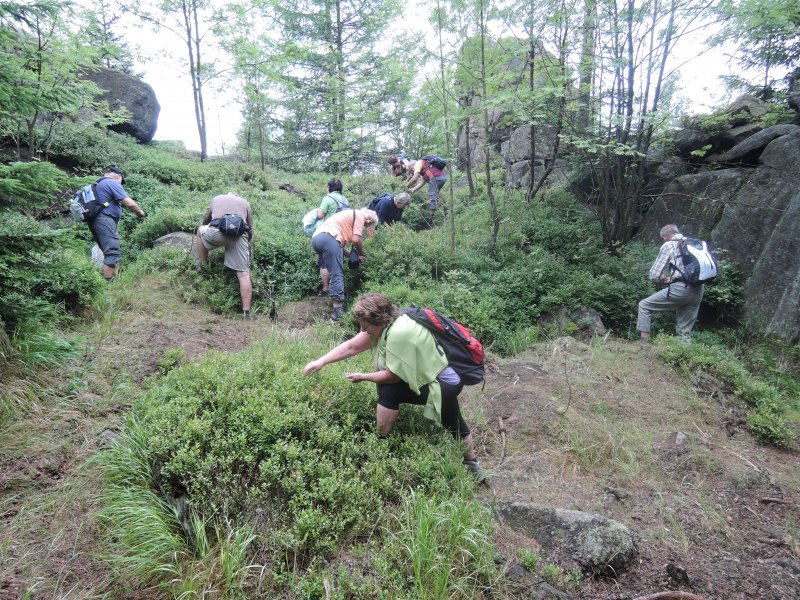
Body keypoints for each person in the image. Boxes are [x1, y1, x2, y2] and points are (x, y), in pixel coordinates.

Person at [303, 292, 485, 481]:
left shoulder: (399, 334)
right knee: (451, 418)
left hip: (443, 384)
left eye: (365, 326)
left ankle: (380, 446)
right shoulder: (396, 320)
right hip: (447, 378)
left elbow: (392, 377)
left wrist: (363, 377)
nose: (363, 330)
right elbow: (352, 346)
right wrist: (321, 361)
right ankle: (473, 466)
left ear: (378, 320)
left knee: (388, 391)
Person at [637, 224, 705, 344]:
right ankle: (684, 357)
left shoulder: (669, 245)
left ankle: (643, 343)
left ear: (665, 236)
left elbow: (654, 274)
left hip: (680, 289)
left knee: (644, 305)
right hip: (699, 290)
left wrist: (666, 279)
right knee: (684, 330)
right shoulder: (693, 243)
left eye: (663, 237)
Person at [311, 208, 378, 321]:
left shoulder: (347, 215)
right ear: (367, 214)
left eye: (370, 223)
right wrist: (362, 253)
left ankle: (327, 291)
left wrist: (353, 256)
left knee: (327, 266)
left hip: (317, 239)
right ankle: (338, 310)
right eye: (369, 220)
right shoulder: (360, 215)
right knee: (337, 272)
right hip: (329, 238)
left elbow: (338, 247)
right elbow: (356, 240)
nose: (367, 222)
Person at [196, 193, 255, 320]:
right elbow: (249, 228)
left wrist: (209, 227)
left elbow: (207, 219)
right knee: (244, 275)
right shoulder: (245, 203)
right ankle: (246, 314)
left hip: (217, 232)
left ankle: (203, 265)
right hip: (239, 236)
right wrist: (246, 243)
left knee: (200, 230)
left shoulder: (216, 198)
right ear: (237, 196)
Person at [87, 166, 146, 281]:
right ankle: (108, 285)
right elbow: (130, 204)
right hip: (104, 219)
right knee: (112, 252)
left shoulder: (96, 184)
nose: (121, 183)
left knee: (106, 250)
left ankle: (110, 278)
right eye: (121, 180)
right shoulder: (111, 183)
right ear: (118, 176)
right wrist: (140, 213)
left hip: (94, 219)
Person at [314, 179, 351, 296]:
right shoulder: (345, 199)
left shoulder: (328, 198)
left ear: (330, 187)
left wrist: (314, 213)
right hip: (341, 234)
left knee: (323, 262)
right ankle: (340, 288)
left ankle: (326, 289)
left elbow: (320, 215)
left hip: (328, 233)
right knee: (337, 263)